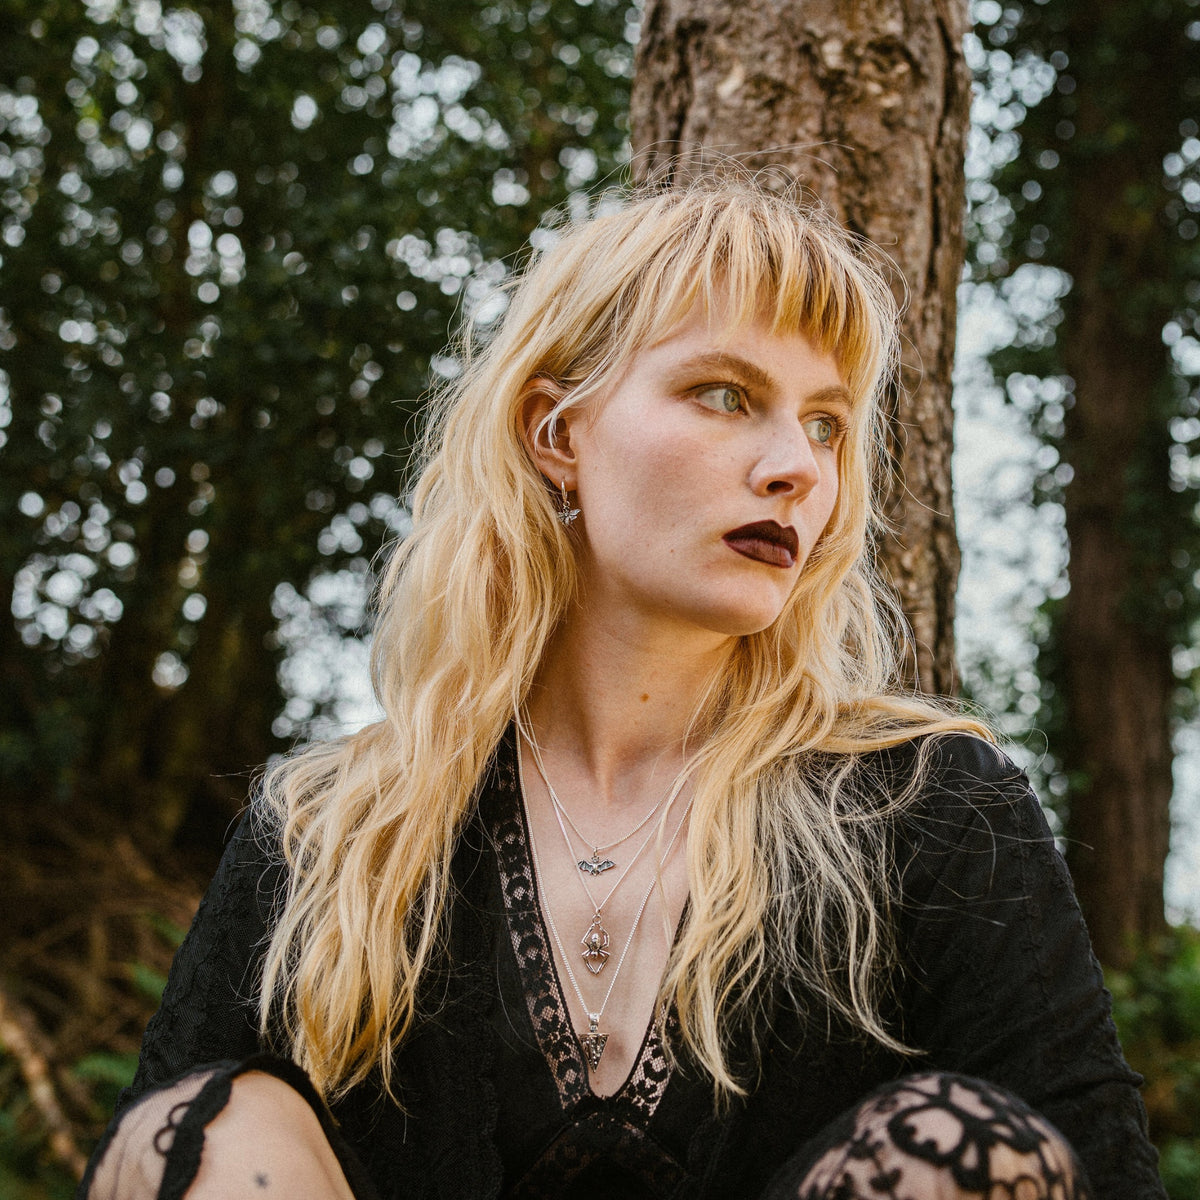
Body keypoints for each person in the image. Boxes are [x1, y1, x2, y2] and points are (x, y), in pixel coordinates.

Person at [80, 178, 1166, 1200]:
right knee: (199, 1123)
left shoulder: (927, 805)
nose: (798, 467)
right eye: (726, 394)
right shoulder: (326, 835)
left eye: (827, 423)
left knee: (970, 1142)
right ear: (557, 433)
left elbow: (1096, 1169)